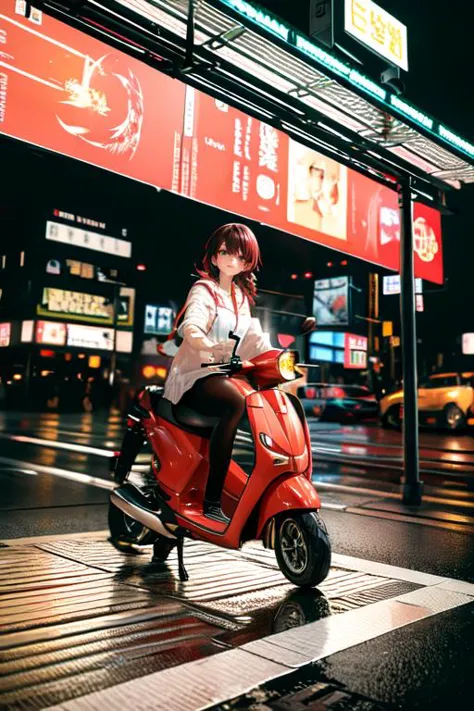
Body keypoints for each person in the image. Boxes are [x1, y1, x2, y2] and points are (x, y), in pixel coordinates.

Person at [163, 223, 273, 524]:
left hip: (221, 376)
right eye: (225, 252)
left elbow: (255, 341)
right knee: (237, 402)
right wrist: (206, 343)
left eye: (240, 256)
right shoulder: (204, 289)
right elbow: (192, 324)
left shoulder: (240, 297)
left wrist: (281, 360)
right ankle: (212, 500)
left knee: (255, 400)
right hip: (193, 377)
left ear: (247, 263)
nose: (231, 260)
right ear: (214, 257)